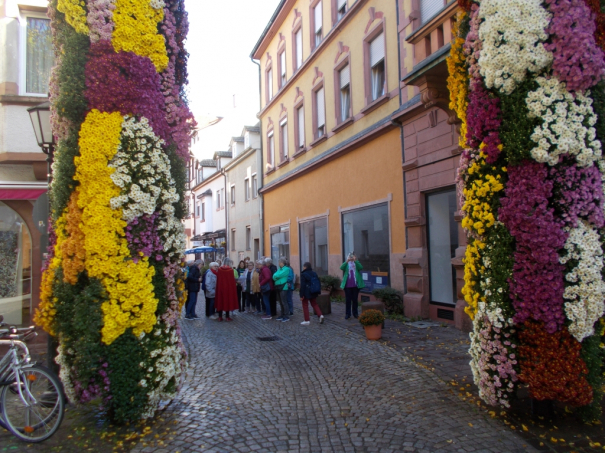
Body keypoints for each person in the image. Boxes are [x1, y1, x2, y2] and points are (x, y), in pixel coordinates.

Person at [340, 253, 365, 319]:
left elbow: (361, 267)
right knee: (348, 300)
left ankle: (355, 313)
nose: (351, 258)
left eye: (352, 257)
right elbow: (341, 267)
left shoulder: (356, 263)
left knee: (355, 300)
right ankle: (348, 314)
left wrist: (355, 260)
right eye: (350, 257)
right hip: (347, 285)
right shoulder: (346, 264)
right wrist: (347, 261)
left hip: (355, 285)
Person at [272, 258, 293, 322]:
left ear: (282, 263)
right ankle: (282, 314)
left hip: (283, 287)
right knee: (280, 302)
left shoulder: (286, 269)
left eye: (279, 262)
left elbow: (278, 275)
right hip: (278, 286)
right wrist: (276, 276)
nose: (278, 263)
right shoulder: (279, 269)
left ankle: (286, 315)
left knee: (284, 302)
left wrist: (276, 276)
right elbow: (274, 276)